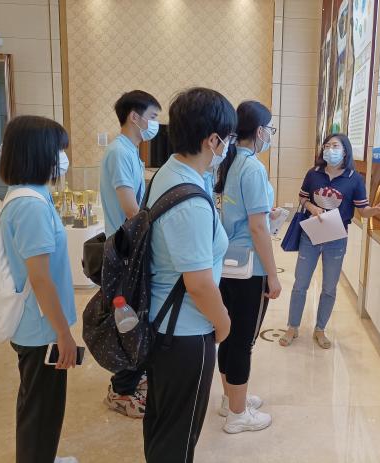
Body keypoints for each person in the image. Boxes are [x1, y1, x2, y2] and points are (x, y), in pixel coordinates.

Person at [143, 87, 233, 463]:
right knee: (179, 436)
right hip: (184, 335)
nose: (227, 146)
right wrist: (223, 322)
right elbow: (198, 283)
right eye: (227, 139)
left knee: (163, 423)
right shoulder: (190, 200)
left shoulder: (169, 172)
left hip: (163, 323)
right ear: (212, 140)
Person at [0, 116, 78, 463]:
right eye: (58, 149)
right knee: (41, 408)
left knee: (40, 402)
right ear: (38, 152)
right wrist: (63, 333)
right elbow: (40, 278)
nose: (63, 157)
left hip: (39, 323)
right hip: (41, 328)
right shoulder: (30, 205)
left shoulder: (30, 195)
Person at [279, 134, 380, 349]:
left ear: (345, 151)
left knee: (329, 287)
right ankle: (292, 327)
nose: (330, 149)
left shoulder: (354, 179)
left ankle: (320, 329)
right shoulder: (313, 173)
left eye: (335, 146)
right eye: (327, 145)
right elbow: (303, 197)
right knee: (300, 283)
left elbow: (363, 210)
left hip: (336, 238)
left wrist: (376, 210)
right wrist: (312, 208)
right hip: (311, 234)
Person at [213, 101, 281, 434]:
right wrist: (273, 274)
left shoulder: (226, 162)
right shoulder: (252, 167)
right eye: (269, 128)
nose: (269, 135)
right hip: (249, 269)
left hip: (225, 263)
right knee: (242, 340)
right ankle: (238, 415)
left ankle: (231, 399)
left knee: (228, 335)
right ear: (259, 131)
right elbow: (257, 228)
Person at [100, 90, 161, 418]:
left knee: (136, 319)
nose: (154, 124)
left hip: (128, 249)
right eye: (152, 116)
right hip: (124, 253)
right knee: (129, 321)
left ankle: (132, 378)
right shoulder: (120, 152)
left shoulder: (129, 152)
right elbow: (130, 209)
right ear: (134, 117)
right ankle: (121, 391)